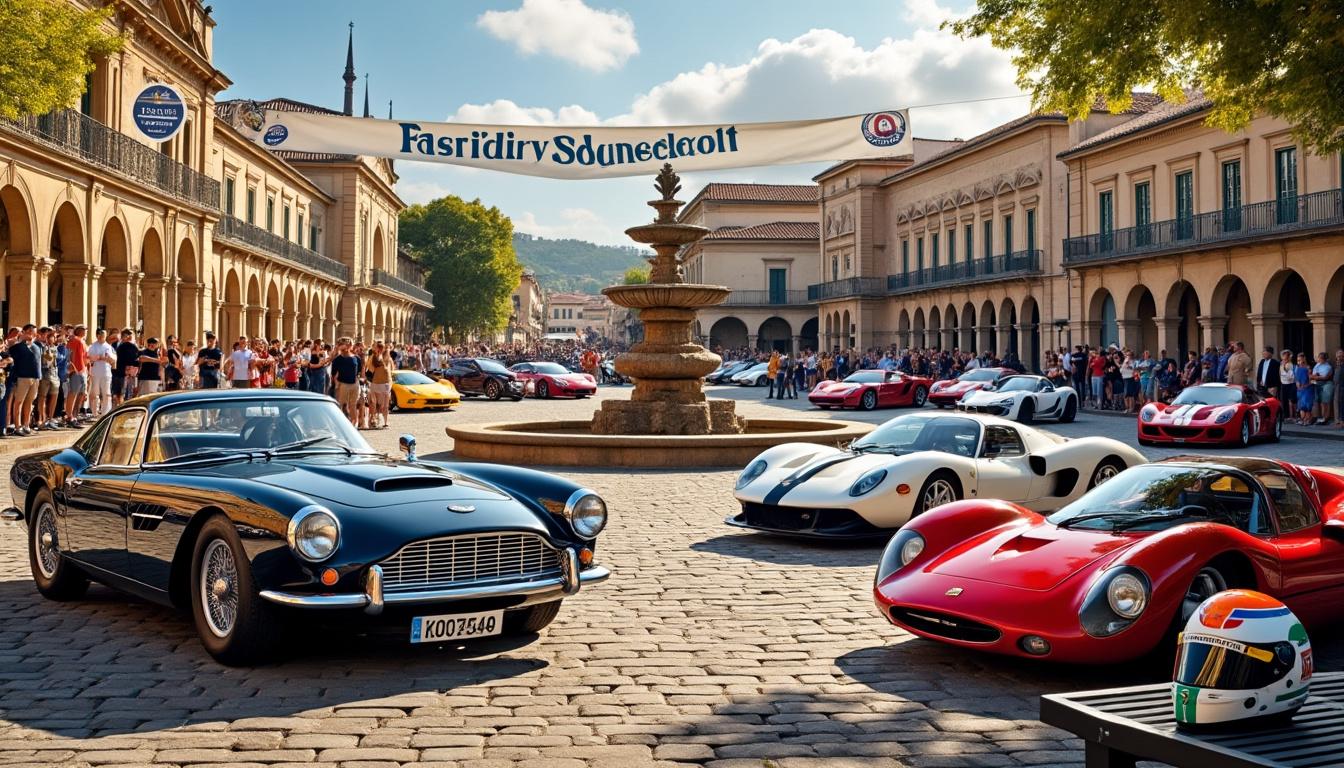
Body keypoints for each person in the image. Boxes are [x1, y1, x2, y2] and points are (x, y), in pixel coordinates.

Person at [8, 325, 39, 435]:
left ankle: (26, 425)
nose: (32, 334)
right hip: (22, 377)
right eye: (29, 331)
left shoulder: (36, 347)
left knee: (29, 402)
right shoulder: (17, 346)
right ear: (24, 332)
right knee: (19, 402)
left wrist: (38, 377)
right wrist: (19, 341)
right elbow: (11, 357)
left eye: (33, 332)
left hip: (35, 378)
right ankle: (17, 427)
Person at [330, 338, 361, 423]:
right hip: (343, 384)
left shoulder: (356, 358)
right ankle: (340, 423)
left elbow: (358, 371)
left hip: (355, 384)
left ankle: (353, 424)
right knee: (341, 405)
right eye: (343, 345)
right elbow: (333, 374)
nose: (347, 347)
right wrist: (336, 385)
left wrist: (358, 380)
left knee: (353, 405)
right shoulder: (337, 359)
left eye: (348, 345)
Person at [86, 329, 115, 417]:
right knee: (95, 393)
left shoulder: (109, 347)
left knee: (107, 393)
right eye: (100, 334)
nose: (101, 336)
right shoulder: (92, 346)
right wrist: (101, 358)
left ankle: (105, 412)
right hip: (95, 372)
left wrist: (105, 358)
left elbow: (112, 360)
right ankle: (94, 412)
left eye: (103, 335)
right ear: (97, 335)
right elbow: (90, 358)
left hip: (106, 373)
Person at [64, 325, 88, 427]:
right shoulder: (76, 341)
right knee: (73, 393)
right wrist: (75, 369)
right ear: (80, 331)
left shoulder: (80, 341)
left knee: (79, 394)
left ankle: (73, 416)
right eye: (84, 330)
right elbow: (73, 355)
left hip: (81, 370)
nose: (86, 332)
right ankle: (70, 416)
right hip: (78, 370)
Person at [367, 341, 392, 428]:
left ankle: (385, 421)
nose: (380, 349)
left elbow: (387, 368)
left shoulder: (387, 356)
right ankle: (373, 420)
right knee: (374, 403)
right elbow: (370, 368)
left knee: (385, 404)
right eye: (378, 347)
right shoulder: (373, 357)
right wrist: (374, 355)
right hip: (376, 382)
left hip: (385, 382)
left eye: (381, 347)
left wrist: (384, 353)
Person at [114, 329, 140, 403]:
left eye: (129, 335)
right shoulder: (117, 345)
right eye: (125, 336)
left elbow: (135, 359)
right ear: (122, 336)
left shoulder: (133, 347)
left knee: (128, 394)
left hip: (128, 374)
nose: (128, 337)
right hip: (118, 373)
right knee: (118, 393)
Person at [1311, 352, 1334, 426]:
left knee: (1325, 401)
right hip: (1318, 384)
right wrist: (1317, 376)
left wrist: (1316, 376)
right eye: (1319, 357)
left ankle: (1326, 418)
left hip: (1327, 384)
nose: (1319, 359)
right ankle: (1320, 417)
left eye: (1321, 358)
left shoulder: (1328, 366)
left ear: (1325, 359)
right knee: (1320, 402)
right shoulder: (1317, 365)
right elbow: (1312, 375)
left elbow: (1325, 377)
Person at [1294, 352, 1313, 425]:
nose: (1299, 362)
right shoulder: (1298, 368)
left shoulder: (1308, 368)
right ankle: (1302, 419)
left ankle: (1307, 419)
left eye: (1300, 360)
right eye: (1298, 360)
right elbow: (1296, 378)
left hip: (1307, 389)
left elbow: (1311, 380)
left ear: (1304, 359)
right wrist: (1297, 384)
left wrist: (1305, 385)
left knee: (1307, 404)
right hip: (1299, 389)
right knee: (1301, 405)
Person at [1280, 349, 1298, 416]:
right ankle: (1287, 416)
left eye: (1286, 356)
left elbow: (1291, 377)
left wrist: (1284, 367)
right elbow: (1281, 375)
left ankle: (1294, 415)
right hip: (1283, 384)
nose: (1284, 358)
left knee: (1292, 401)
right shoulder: (1281, 365)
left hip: (1291, 384)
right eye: (1283, 356)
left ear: (1289, 357)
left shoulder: (1292, 365)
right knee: (1284, 401)